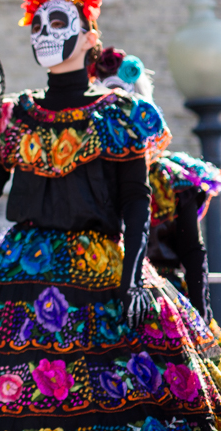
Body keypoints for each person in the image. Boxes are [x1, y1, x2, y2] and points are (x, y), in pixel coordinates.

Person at [0, 0, 220, 430]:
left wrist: (133, 278)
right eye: (37, 25)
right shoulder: (16, 114)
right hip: (16, 272)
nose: (44, 34)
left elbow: (134, 202)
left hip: (101, 268)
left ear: (88, 36)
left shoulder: (120, 115)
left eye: (58, 21)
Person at [91, 47, 221, 327]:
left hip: (159, 302)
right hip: (94, 295)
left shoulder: (169, 178)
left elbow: (191, 252)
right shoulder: (86, 172)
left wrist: (201, 317)